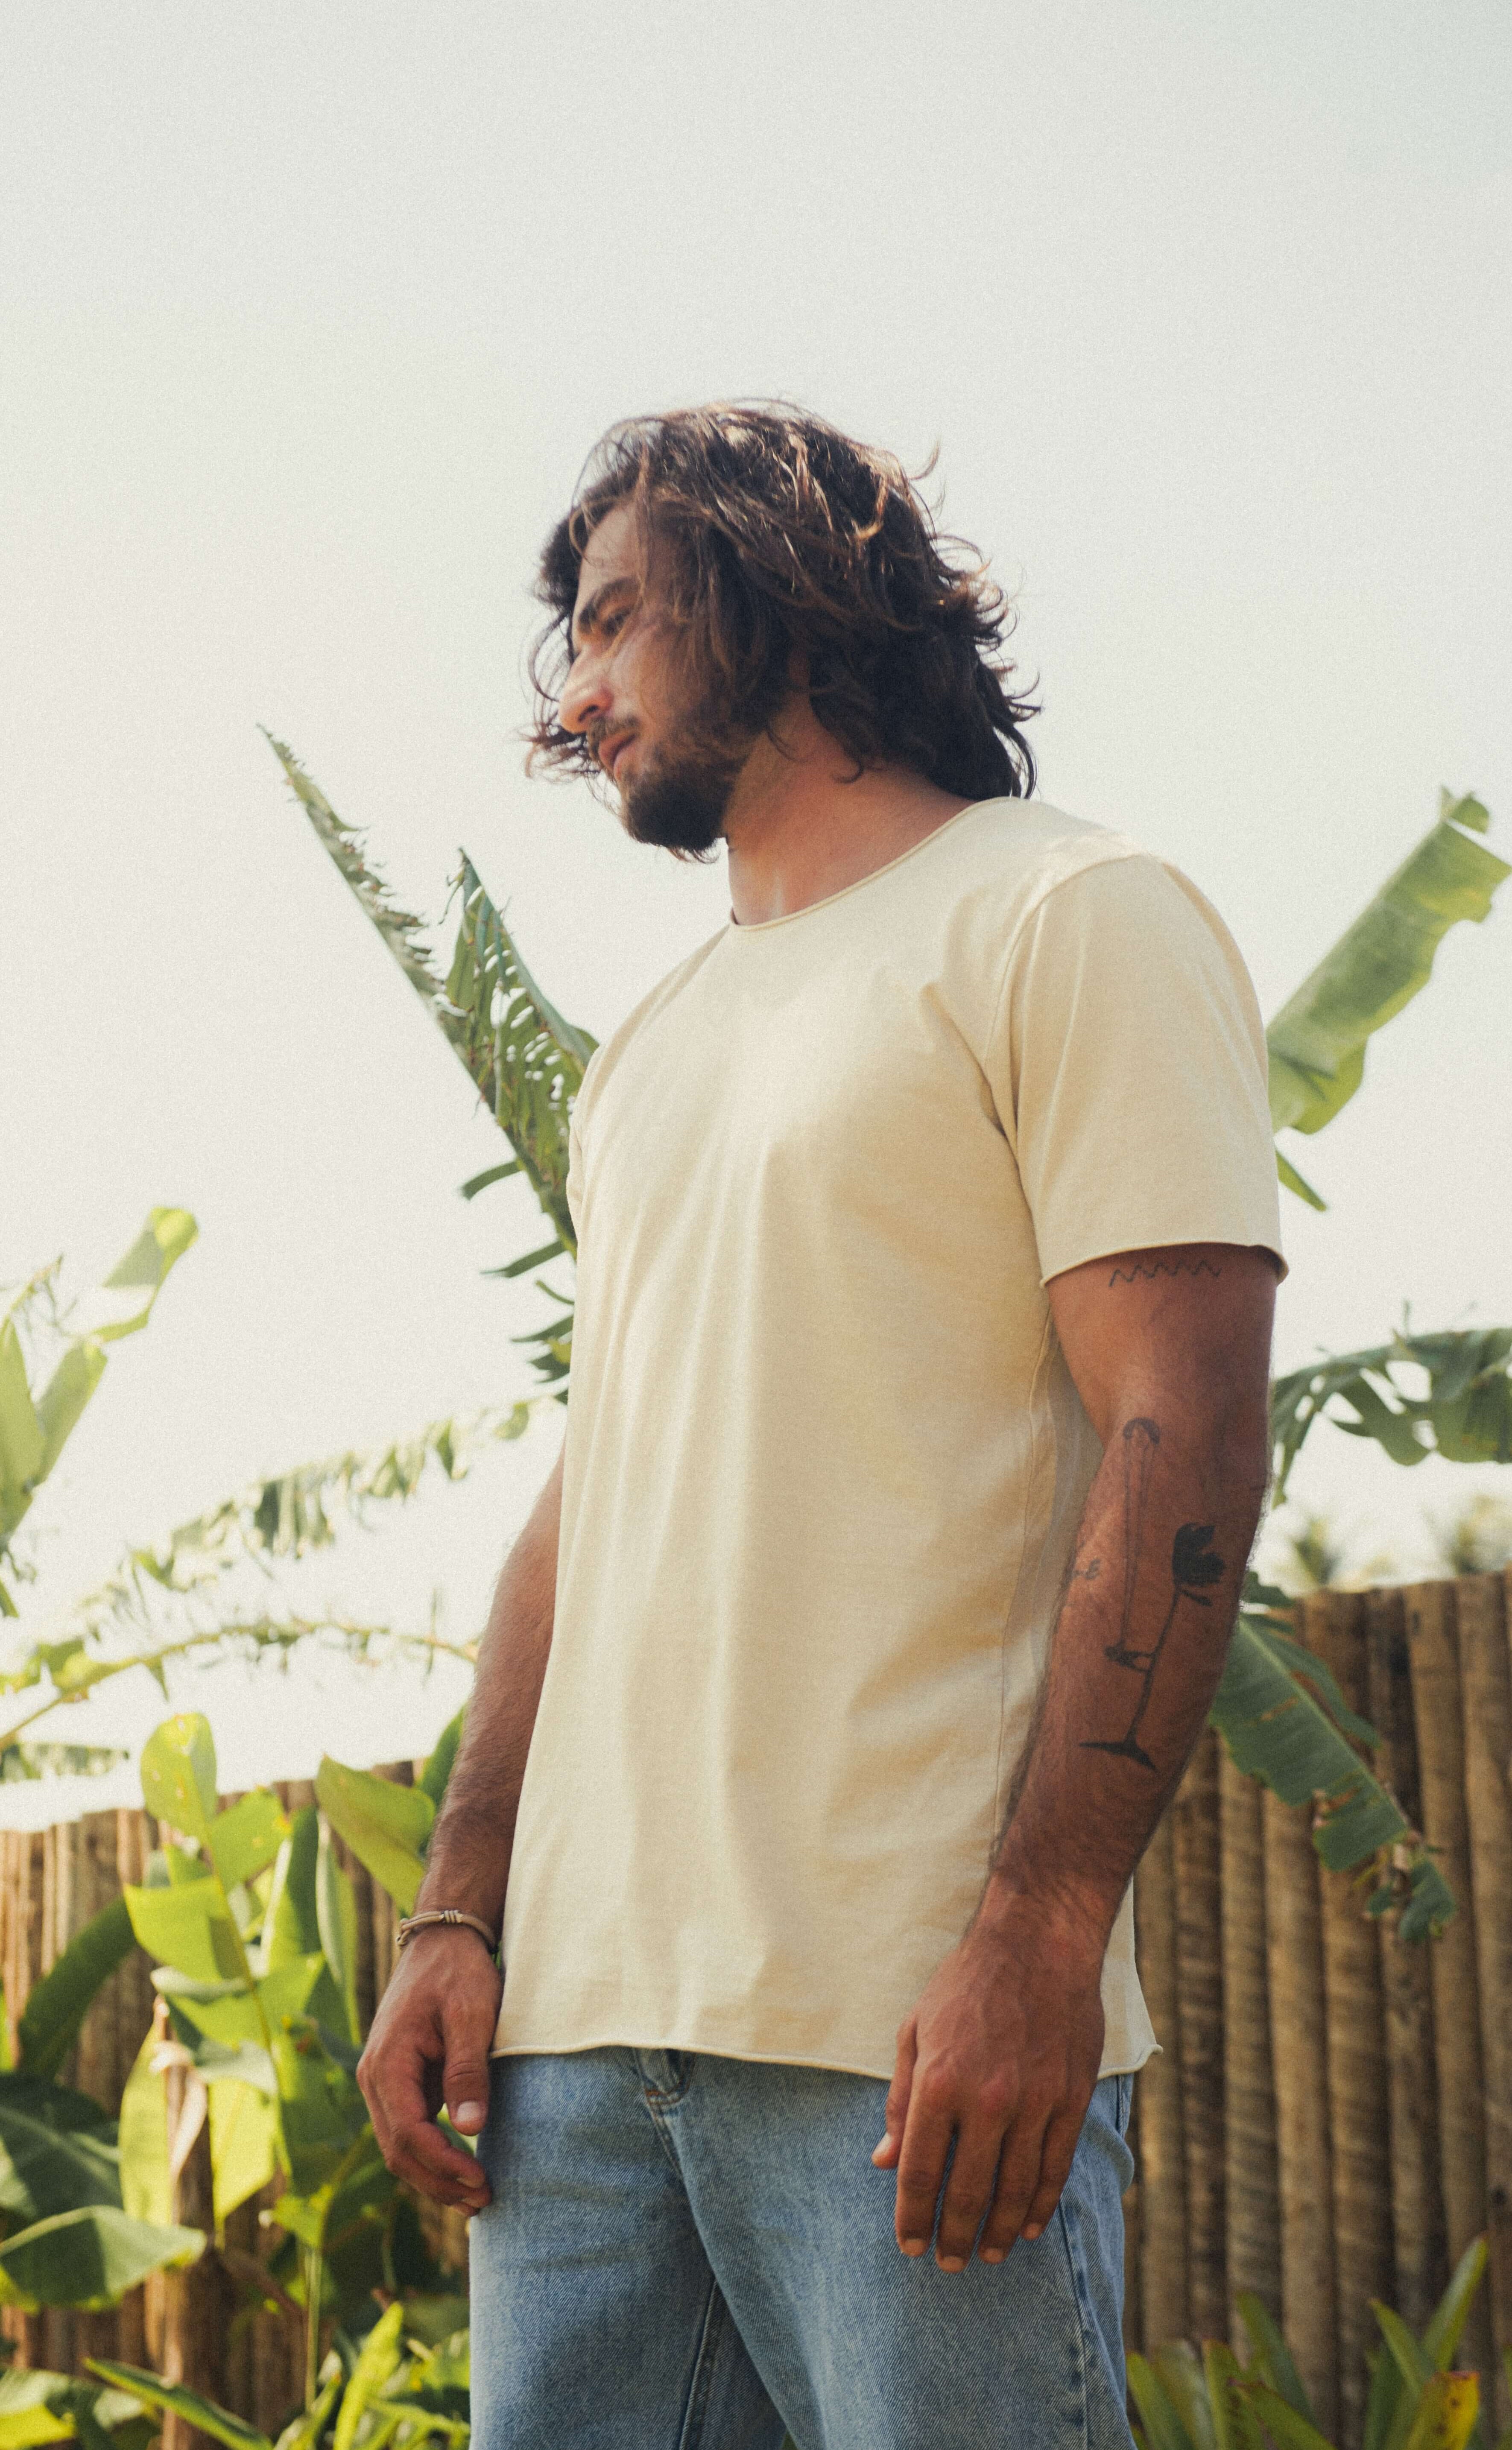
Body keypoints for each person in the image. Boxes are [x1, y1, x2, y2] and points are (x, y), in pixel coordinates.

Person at [359, 404, 1282, 2450]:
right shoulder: (649, 1059)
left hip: (895, 2037)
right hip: (580, 2070)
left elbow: (1188, 1428)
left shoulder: (1063, 915)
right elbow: (585, 1508)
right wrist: (459, 1901)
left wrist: (1043, 1933)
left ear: (764, 580)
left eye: (609, 623)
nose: (574, 697)